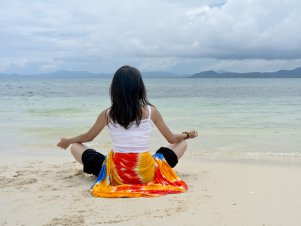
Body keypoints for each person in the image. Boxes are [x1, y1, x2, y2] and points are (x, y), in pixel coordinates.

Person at [57, 66, 198, 198]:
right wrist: (187, 135)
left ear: (115, 90)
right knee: (181, 144)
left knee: (75, 146)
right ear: (139, 88)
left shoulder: (107, 114)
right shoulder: (151, 111)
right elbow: (172, 139)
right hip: (146, 174)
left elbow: (88, 137)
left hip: (118, 175)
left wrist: (68, 141)